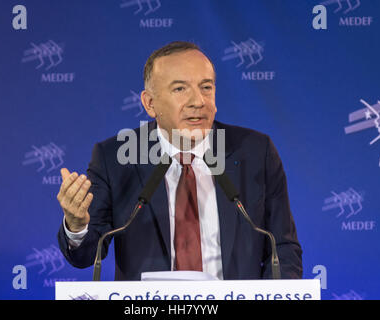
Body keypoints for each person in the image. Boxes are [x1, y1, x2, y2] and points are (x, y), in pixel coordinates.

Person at [56, 41, 302, 280]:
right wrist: (76, 226)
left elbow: (283, 247)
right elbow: (85, 255)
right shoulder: (115, 158)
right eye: (180, 89)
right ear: (150, 104)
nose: (198, 101)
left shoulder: (255, 151)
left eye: (206, 87)